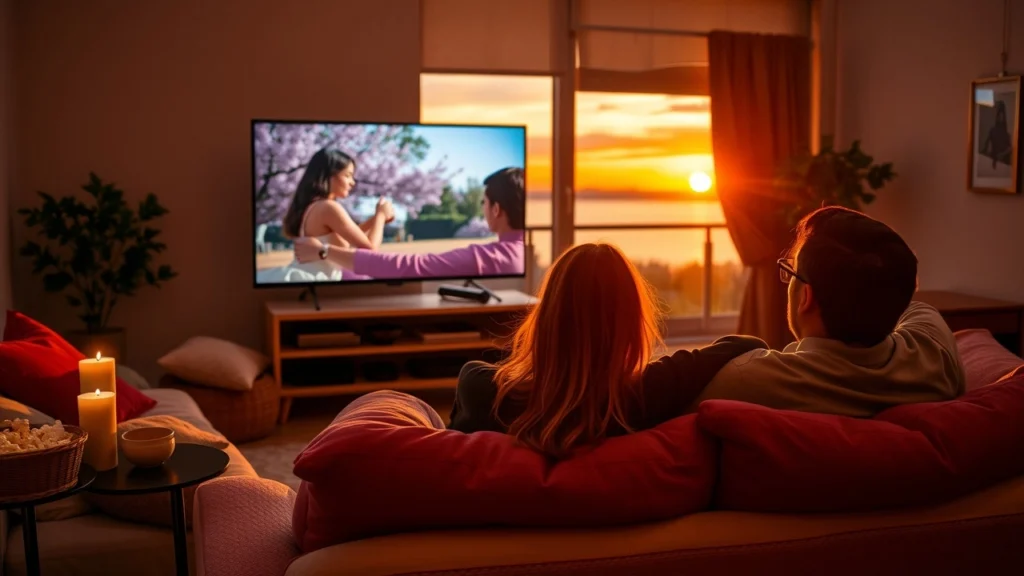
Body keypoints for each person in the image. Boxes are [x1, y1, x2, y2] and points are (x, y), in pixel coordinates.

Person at [448, 242, 767, 459]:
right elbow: (747, 344)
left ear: (547, 316)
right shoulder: (646, 393)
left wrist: (528, 359)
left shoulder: (480, 385)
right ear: (630, 323)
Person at [688, 206, 966, 418]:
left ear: (806, 297)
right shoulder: (935, 351)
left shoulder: (746, 381)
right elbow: (915, 308)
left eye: (791, 272)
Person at [292, 167, 524, 279]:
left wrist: (324, 251)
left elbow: (412, 266)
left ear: (496, 209)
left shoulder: (488, 258)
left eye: (484, 202)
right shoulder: (525, 253)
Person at [256, 148, 393, 283]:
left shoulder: (314, 205)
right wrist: (380, 216)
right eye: (347, 175)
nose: (353, 182)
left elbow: (350, 235)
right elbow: (370, 251)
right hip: (310, 279)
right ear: (329, 176)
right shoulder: (328, 207)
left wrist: (375, 219)